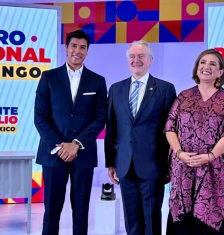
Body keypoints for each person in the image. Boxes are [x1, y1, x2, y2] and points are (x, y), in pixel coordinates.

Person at [34, 29, 107, 235]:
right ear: (66, 47)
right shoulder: (49, 77)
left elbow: (100, 118)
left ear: (87, 51)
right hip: (53, 154)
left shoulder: (97, 81)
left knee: (81, 209)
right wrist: (60, 145)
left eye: (82, 47)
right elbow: (40, 117)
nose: (77, 51)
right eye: (73, 46)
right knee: (52, 209)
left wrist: (76, 143)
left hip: (82, 154)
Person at [163, 49, 224, 235]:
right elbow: (169, 128)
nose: (206, 67)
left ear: (221, 72)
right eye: (202, 63)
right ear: (197, 68)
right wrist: (180, 153)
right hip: (184, 167)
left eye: (213, 64)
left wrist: (210, 156)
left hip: (215, 169)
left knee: (210, 218)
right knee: (182, 218)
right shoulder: (183, 96)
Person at [104, 40, 176, 235]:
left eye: (141, 56)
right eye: (132, 57)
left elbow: (171, 129)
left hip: (153, 164)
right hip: (125, 164)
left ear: (150, 60)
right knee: (131, 218)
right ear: (128, 61)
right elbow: (112, 127)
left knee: (151, 218)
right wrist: (110, 162)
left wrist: (170, 164)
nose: (136, 60)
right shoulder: (116, 89)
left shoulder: (165, 89)